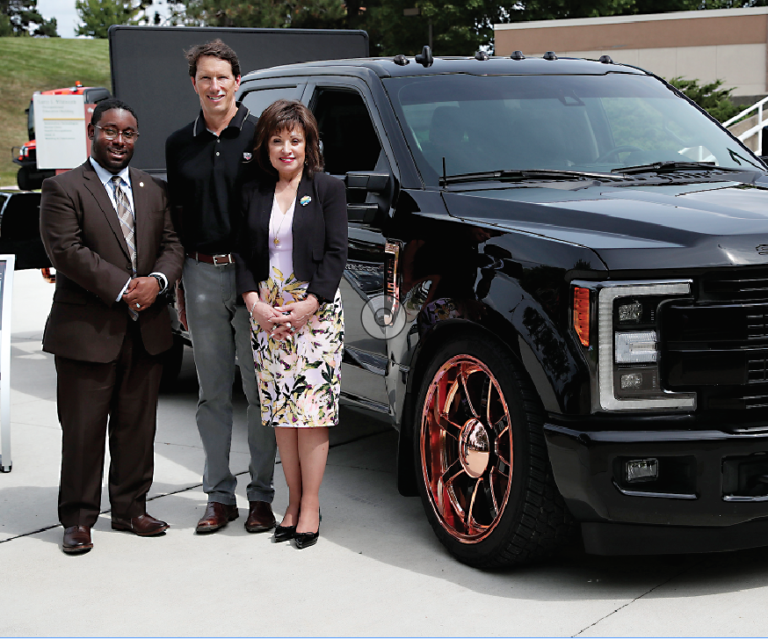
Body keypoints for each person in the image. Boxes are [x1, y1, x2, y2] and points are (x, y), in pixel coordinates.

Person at [39, 98, 184, 554]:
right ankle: (79, 519)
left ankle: (129, 508)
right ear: (92, 132)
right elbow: (67, 251)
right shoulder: (62, 189)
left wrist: (157, 281)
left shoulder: (152, 188)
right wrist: (127, 288)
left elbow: (172, 244)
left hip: (148, 329)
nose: (119, 141)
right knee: (82, 429)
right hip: (87, 332)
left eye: (128, 134)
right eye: (110, 131)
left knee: (137, 427)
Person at [165, 40, 277, 534]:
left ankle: (260, 497)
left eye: (223, 77)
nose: (214, 86)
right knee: (212, 392)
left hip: (255, 278)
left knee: (258, 393)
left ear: (237, 80)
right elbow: (176, 220)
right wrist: (180, 285)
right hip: (201, 273)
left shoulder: (262, 135)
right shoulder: (178, 143)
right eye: (205, 78)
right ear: (194, 84)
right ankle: (218, 496)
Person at [235, 99, 347, 549]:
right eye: (278, 140)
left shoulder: (328, 188)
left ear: (308, 144)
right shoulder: (254, 190)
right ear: (265, 145)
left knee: (311, 414)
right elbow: (242, 251)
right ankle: (292, 501)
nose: (286, 149)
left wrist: (309, 305)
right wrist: (254, 304)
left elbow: (338, 252)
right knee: (283, 414)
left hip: (314, 315)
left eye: (295, 140)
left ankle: (312, 504)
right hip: (267, 313)